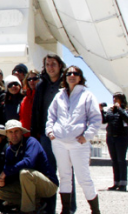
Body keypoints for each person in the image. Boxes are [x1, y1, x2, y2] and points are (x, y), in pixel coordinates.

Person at [45, 65, 102, 214]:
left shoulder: (87, 95)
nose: (71, 75)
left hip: (78, 143)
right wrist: (50, 131)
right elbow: (51, 115)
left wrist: (87, 136)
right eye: (68, 73)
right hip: (59, 143)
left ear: (80, 77)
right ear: (65, 77)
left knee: (84, 178)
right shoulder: (60, 96)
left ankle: (95, 210)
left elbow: (96, 119)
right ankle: (66, 210)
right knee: (64, 176)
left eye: (75, 73)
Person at [30, 53, 70, 214]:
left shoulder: (67, 83)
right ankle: (49, 208)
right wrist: (35, 134)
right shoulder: (41, 85)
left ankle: (69, 207)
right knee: (48, 171)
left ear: (60, 66)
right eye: (48, 64)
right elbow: (36, 110)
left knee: (66, 172)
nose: (50, 67)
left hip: (65, 134)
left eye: (53, 64)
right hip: (47, 134)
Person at [0, 120, 58, 214]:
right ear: (6, 134)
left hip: (48, 185)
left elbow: (29, 162)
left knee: (25, 173)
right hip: (27, 186)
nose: (14, 135)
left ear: (21, 132)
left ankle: (27, 211)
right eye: (10, 132)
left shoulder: (31, 142)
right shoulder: (9, 150)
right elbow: (10, 173)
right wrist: (3, 181)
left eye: (16, 131)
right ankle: (37, 203)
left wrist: (6, 172)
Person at [101, 92, 128, 192]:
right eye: (114, 98)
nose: (114, 100)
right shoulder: (111, 110)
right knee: (114, 161)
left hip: (122, 138)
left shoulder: (127, 109)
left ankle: (123, 184)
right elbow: (104, 120)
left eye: (117, 98)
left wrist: (119, 108)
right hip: (111, 138)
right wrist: (101, 111)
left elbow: (127, 119)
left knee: (121, 160)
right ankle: (116, 183)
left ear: (122, 99)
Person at [19, 70, 40, 136]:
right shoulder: (25, 99)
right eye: (29, 79)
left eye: (35, 79)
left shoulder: (42, 96)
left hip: (39, 135)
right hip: (26, 135)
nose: (31, 81)